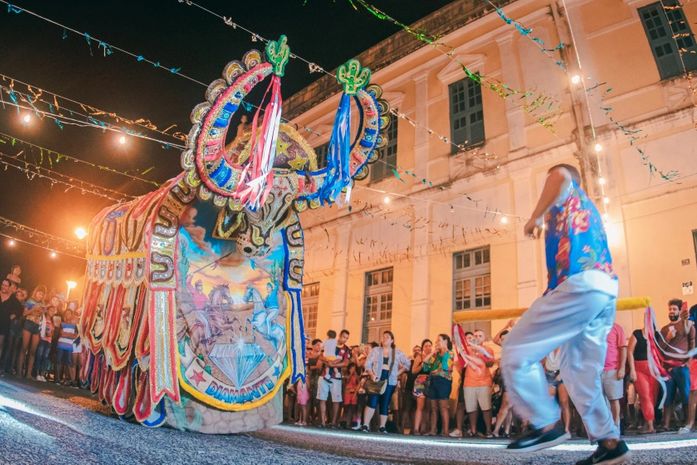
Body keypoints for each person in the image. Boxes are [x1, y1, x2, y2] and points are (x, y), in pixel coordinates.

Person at [501, 164, 628, 464]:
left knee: (516, 349)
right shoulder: (583, 210)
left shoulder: (567, 191)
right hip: (602, 289)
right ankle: (610, 442)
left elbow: (561, 175)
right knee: (578, 372)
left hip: (581, 284)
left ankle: (546, 424)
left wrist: (535, 216)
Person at [358, 331, 410, 433]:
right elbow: (367, 364)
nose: (385, 338)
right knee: (372, 401)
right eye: (383, 336)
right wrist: (372, 374)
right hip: (376, 378)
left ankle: (382, 427)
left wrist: (397, 373)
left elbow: (407, 364)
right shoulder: (376, 350)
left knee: (385, 402)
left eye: (387, 337)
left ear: (392, 340)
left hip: (390, 380)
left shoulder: (397, 352)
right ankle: (365, 425)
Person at [659, 299, 695, 431]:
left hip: (682, 367)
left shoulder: (687, 325)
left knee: (686, 396)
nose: (671, 311)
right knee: (667, 396)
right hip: (667, 369)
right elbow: (660, 349)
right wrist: (668, 337)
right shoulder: (664, 329)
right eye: (670, 309)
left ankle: (688, 422)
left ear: (680, 311)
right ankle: (666, 424)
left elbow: (692, 344)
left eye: (674, 309)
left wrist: (688, 363)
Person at [317, 329, 350, 427]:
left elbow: (346, 363)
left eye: (347, 338)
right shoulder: (330, 343)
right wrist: (328, 362)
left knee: (336, 400)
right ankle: (322, 422)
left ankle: (333, 422)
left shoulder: (346, 349)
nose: (345, 339)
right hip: (324, 375)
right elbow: (320, 356)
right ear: (339, 335)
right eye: (343, 337)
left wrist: (333, 365)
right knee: (322, 398)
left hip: (336, 377)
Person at [424, 334, 454, 437]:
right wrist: (433, 352)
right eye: (436, 341)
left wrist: (437, 371)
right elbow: (425, 364)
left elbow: (446, 367)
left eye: (439, 340)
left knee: (443, 407)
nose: (436, 342)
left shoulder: (449, 353)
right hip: (434, 381)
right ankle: (433, 430)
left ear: (445, 341)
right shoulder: (435, 355)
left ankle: (445, 431)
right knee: (433, 408)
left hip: (444, 381)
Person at [17, 285, 47, 378]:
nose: (40, 295)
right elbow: (24, 313)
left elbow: (41, 316)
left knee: (33, 351)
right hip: (28, 324)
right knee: (24, 348)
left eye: (42, 294)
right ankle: (19, 372)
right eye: (39, 293)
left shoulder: (42, 304)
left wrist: (43, 310)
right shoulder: (30, 301)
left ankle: (28, 374)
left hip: (36, 327)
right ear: (36, 293)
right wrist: (33, 309)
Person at [603, 322, 627, 429]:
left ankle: (616, 427)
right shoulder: (594, 328)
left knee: (614, 399)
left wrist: (622, 368)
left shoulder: (617, 328)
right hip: (596, 370)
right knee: (600, 401)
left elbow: (623, 348)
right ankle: (605, 428)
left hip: (613, 369)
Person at [543, 348, 571, 434]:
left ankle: (566, 429)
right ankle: (552, 427)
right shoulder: (548, 346)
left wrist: (561, 374)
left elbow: (569, 363)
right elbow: (542, 360)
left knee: (564, 402)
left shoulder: (565, 347)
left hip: (562, 373)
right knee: (550, 403)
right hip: (549, 374)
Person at [411, 338, 433, 435]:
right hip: (421, 381)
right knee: (420, 406)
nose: (428, 347)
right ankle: (416, 428)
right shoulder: (420, 356)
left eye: (430, 345)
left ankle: (424, 429)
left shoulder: (434, 357)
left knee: (428, 407)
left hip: (431, 382)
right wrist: (422, 364)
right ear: (423, 348)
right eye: (426, 346)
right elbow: (413, 371)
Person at [0, 278, 23, 367]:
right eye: (3, 284)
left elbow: (20, 309)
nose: (3, 287)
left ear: (9, 287)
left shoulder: (12, 298)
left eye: (6, 285)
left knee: (0, 344)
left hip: (4, 323)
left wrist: (14, 315)